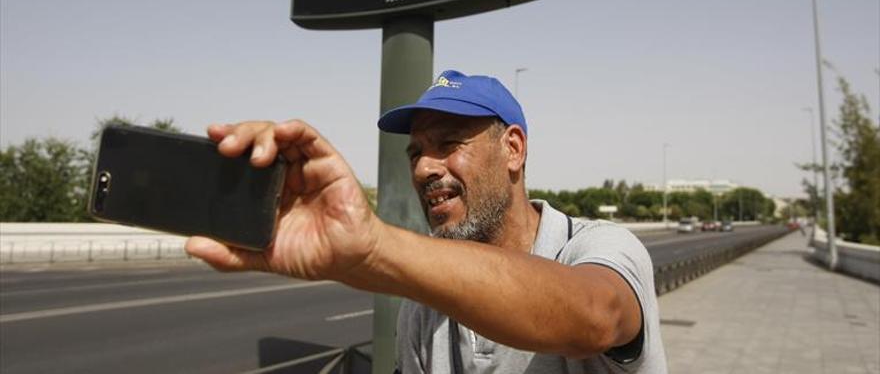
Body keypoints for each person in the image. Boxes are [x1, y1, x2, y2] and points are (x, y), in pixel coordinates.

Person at [186, 70, 667, 373]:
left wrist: (372, 247)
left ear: (513, 149)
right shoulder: (425, 307)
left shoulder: (603, 247)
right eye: (416, 152)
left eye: (448, 144)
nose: (422, 168)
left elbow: (593, 318)